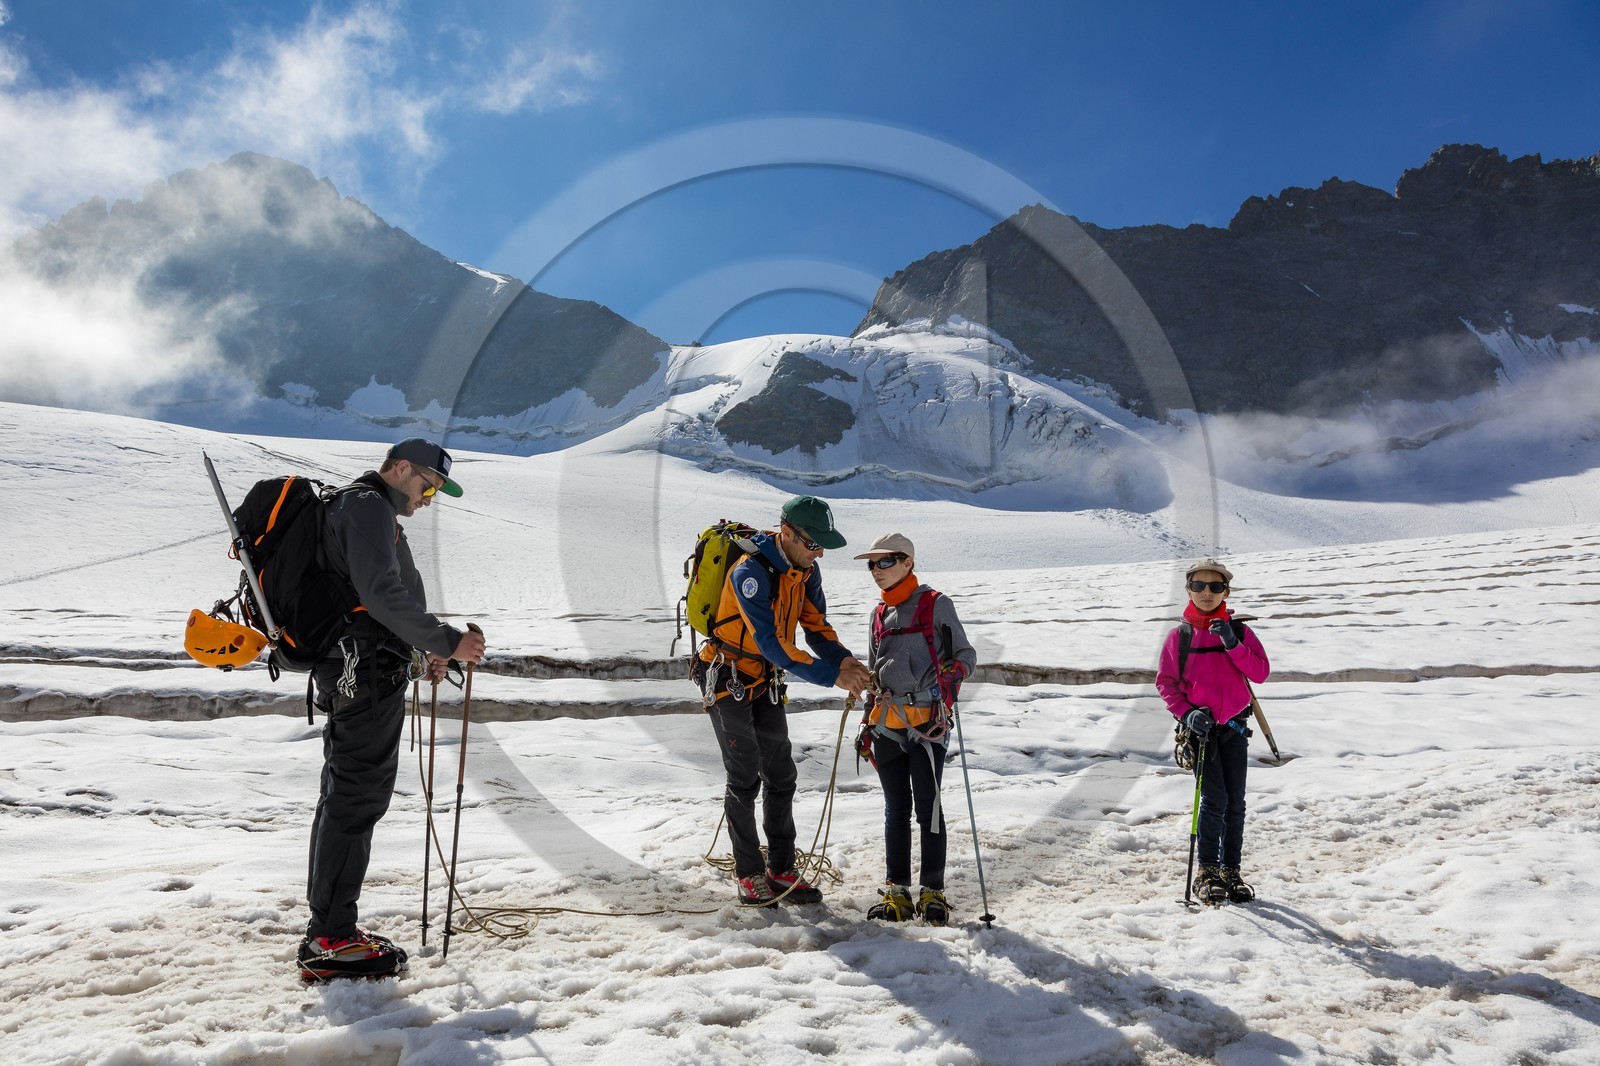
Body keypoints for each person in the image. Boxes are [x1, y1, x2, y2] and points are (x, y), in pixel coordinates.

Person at [298, 438, 486, 981]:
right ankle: (330, 939)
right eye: (428, 484)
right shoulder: (366, 506)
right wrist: (448, 641)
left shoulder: (367, 510)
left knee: (347, 792)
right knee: (355, 795)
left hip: (366, 666)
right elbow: (380, 595)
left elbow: (376, 597)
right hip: (362, 672)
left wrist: (422, 649)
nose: (430, 496)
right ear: (400, 467)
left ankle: (329, 928)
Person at [692, 495, 873, 905]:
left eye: (823, 545)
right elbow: (771, 643)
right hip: (727, 677)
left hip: (765, 680)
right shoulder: (749, 572)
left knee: (782, 775)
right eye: (813, 543)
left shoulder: (807, 572)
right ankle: (749, 873)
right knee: (744, 778)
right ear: (787, 533)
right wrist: (831, 675)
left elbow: (816, 627)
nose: (819, 552)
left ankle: (781, 868)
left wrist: (845, 661)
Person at [854, 533, 976, 927]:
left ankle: (933, 891)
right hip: (886, 725)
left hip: (927, 724)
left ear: (908, 562)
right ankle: (897, 890)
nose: (876, 570)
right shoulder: (877, 614)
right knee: (896, 810)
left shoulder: (936, 604)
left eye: (884, 562)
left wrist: (951, 677)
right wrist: (864, 723)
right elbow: (874, 673)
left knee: (928, 808)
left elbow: (966, 655)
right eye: (871, 564)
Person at [1155, 558, 1270, 905]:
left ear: (1226, 592)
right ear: (1189, 590)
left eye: (1216, 587)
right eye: (1200, 586)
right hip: (1201, 734)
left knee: (1236, 803)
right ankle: (1207, 870)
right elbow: (1166, 684)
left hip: (1234, 727)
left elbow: (1260, 672)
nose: (1208, 593)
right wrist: (1187, 714)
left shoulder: (1241, 633)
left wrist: (1232, 644)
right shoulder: (1180, 637)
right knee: (1215, 799)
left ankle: (1231, 871)